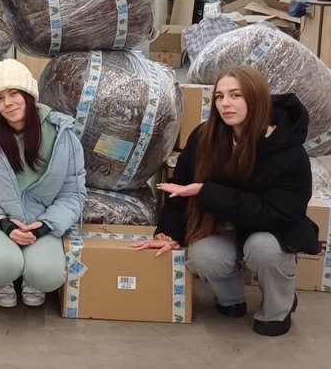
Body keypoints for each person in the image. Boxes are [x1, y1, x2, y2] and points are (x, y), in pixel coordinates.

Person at [134, 66, 319, 336]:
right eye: (219, 96)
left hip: (271, 228)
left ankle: (278, 309)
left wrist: (207, 192)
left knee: (263, 249)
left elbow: (278, 213)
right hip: (223, 225)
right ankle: (231, 299)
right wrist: (167, 234)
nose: (225, 103)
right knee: (203, 256)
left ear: (255, 99)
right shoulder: (204, 137)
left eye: (235, 95)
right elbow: (180, 191)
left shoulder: (289, 151)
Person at [0, 59, 87, 309]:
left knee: (47, 275)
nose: (7, 103)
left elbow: (73, 193)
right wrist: (1, 222)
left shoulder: (62, 133)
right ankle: (4, 278)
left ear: (29, 95)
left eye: (14, 93)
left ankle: (31, 275)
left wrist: (46, 225)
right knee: (0, 266)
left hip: (42, 222)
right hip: (0, 222)